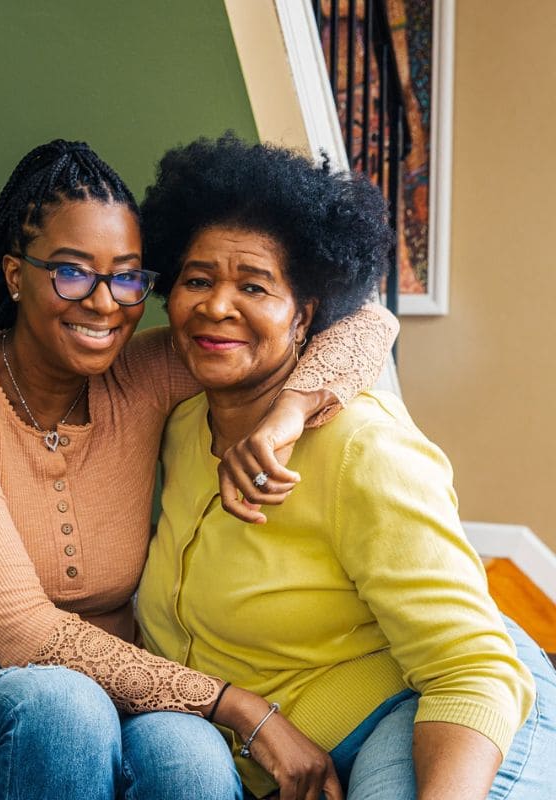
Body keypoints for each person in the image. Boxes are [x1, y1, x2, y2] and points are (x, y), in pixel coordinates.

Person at [0, 139, 398, 800]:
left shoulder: (139, 375)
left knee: (189, 757)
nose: (105, 303)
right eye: (73, 273)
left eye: (129, 277)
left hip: (109, 694)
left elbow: (368, 320)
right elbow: (21, 632)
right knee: (63, 708)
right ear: (15, 274)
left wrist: (287, 414)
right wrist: (241, 707)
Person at [136, 133, 556, 800]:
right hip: (274, 745)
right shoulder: (179, 422)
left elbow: (471, 672)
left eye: (254, 285)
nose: (217, 305)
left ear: (307, 316)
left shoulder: (362, 446)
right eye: (197, 279)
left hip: (433, 703)